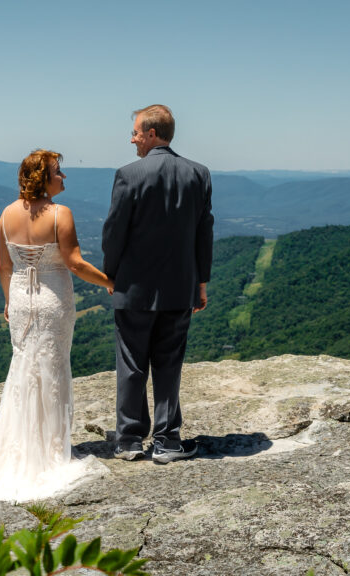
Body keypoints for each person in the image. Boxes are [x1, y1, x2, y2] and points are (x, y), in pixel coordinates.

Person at [0, 149, 114, 502]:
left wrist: (8, 301)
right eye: (58, 172)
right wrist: (111, 282)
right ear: (43, 179)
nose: (63, 177)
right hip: (52, 301)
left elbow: (5, 268)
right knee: (53, 369)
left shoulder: (5, 214)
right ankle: (50, 451)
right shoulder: (61, 214)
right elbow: (75, 264)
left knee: (24, 370)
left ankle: (19, 449)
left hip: (19, 300)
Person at [101, 104, 214, 464]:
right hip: (180, 286)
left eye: (135, 132)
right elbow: (204, 233)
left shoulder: (128, 174)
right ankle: (167, 441)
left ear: (151, 134)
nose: (131, 138)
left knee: (132, 363)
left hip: (133, 287)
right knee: (169, 363)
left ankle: (129, 440)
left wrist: (111, 273)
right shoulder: (199, 174)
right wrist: (202, 281)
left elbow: (114, 232)